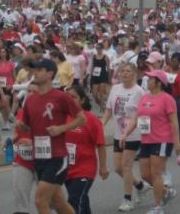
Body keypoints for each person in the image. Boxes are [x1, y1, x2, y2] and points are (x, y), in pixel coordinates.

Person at [16, 59, 86, 214]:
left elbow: (82, 118)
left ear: (50, 74)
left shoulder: (61, 97)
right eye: (35, 69)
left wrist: (62, 128)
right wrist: (22, 127)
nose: (35, 72)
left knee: (40, 201)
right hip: (39, 156)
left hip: (57, 157)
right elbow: (29, 128)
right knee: (59, 203)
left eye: (39, 69)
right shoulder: (30, 100)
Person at [121, 70, 180, 214]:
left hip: (162, 140)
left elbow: (174, 122)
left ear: (159, 82)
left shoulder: (167, 99)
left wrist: (177, 142)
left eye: (150, 79)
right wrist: (125, 134)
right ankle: (166, 192)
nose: (147, 81)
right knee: (145, 175)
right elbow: (136, 118)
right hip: (146, 140)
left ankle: (158, 206)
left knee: (156, 174)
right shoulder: (144, 98)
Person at [102, 63, 151, 212]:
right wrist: (101, 124)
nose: (124, 73)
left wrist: (146, 135)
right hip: (118, 133)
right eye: (122, 71)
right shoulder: (115, 89)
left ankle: (127, 199)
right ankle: (141, 186)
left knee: (126, 166)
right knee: (117, 168)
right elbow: (109, 110)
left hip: (134, 134)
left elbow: (144, 114)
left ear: (134, 74)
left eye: (128, 71)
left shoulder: (140, 92)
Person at [65, 85, 109, 214]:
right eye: (67, 97)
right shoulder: (62, 117)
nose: (69, 100)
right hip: (67, 168)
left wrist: (103, 167)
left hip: (85, 168)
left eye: (73, 97)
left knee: (74, 200)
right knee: (82, 200)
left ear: (82, 100)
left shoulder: (91, 119)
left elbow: (100, 144)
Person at [12, 82, 38, 214]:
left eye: (34, 91)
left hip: (43, 162)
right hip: (22, 161)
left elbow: (55, 136)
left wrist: (31, 142)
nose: (30, 94)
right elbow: (17, 134)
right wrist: (12, 139)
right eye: (29, 91)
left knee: (49, 202)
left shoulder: (48, 113)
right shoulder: (21, 112)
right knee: (20, 201)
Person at [90, 43, 110, 113]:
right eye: (97, 48)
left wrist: (109, 78)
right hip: (95, 75)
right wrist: (90, 75)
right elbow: (92, 66)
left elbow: (108, 68)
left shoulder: (105, 57)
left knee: (101, 94)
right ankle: (102, 105)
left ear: (102, 49)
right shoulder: (94, 56)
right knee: (94, 94)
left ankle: (101, 110)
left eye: (99, 48)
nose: (98, 49)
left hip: (103, 75)